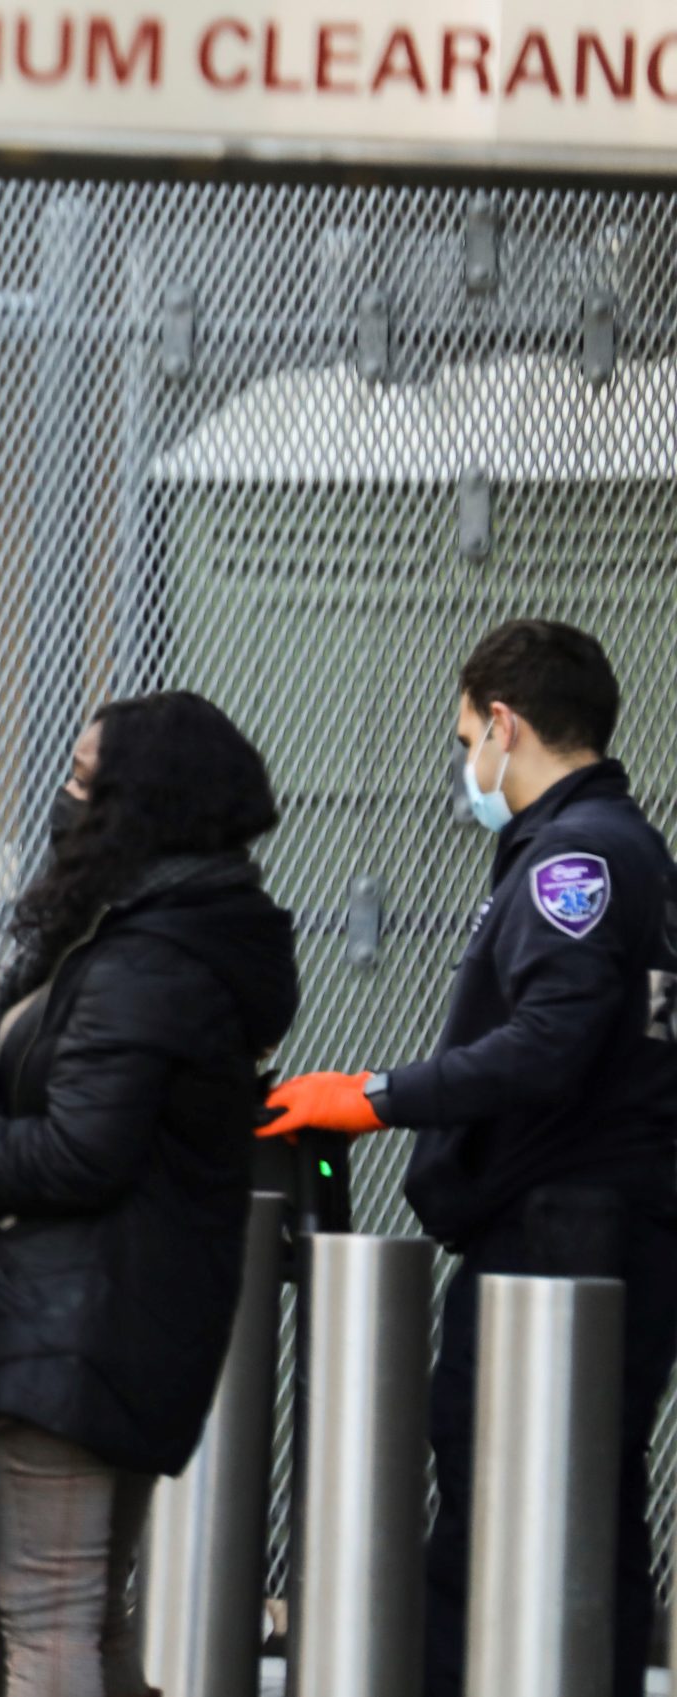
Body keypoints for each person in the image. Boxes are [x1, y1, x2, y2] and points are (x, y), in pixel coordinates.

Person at [261, 620, 677, 1697]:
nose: (465, 769)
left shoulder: (577, 859)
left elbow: (549, 1043)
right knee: (581, 1502)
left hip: (554, 1232)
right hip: (598, 1226)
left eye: (463, 740)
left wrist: (376, 1096)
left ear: (505, 724)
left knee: (505, 1500)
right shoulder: (626, 848)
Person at [0, 693, 299, 1697]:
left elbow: (80, 1149)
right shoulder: (175, 933)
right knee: (88, 1621)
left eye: (87, 778)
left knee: (50, 1628)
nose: (67, 795)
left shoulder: (149, 957)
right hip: (117, 1315)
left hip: (75, 1322)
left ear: (144, 800)